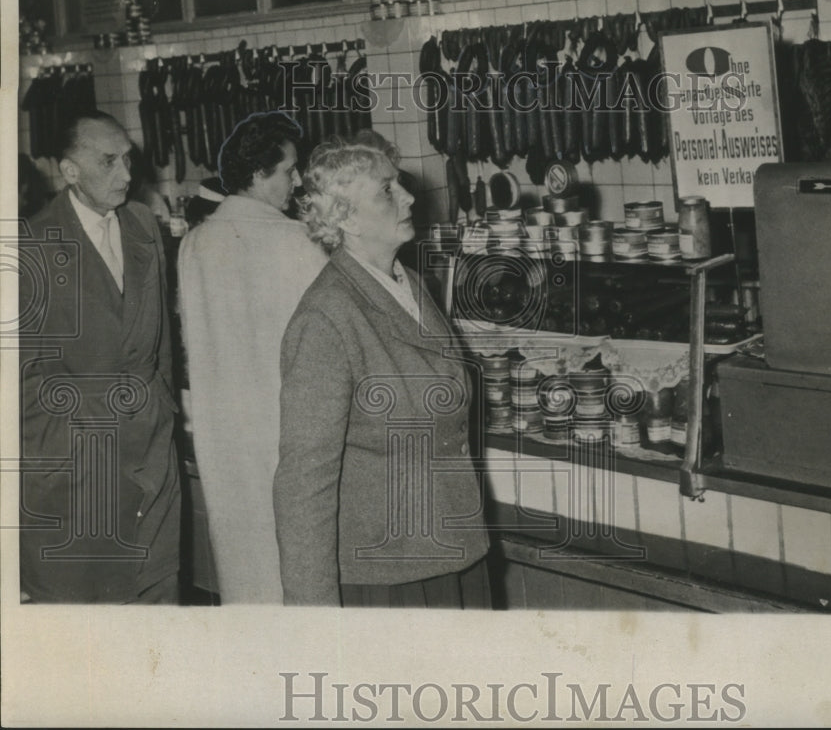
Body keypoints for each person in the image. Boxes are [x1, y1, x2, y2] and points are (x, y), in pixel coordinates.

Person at [274, 138, 491, 607]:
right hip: (389, 572)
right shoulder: (326, 318)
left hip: (453, 547)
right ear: (346, 218)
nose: (409, 197)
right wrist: (312, 615)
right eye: (387, 191)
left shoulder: (408, 284)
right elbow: (303, 481)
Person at [19, 110, 181, 603]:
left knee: (157, 604)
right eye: (109, 162)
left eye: (128, 159)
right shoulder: (32, 246)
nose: (127, 175)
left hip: (152, 456)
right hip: (79, 470)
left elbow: (161, 344)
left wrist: (162, 410)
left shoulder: (141, 226)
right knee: (91, 622)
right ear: (70, 171)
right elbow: (22, 384)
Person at [177, 111, 327, 604]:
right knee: (297, 575)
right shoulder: (298, 241)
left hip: (224, 433)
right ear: (260, 175)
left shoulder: (195, 241)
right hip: (285, 433)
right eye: (289, 169)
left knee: (245, 571)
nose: (299, 179)